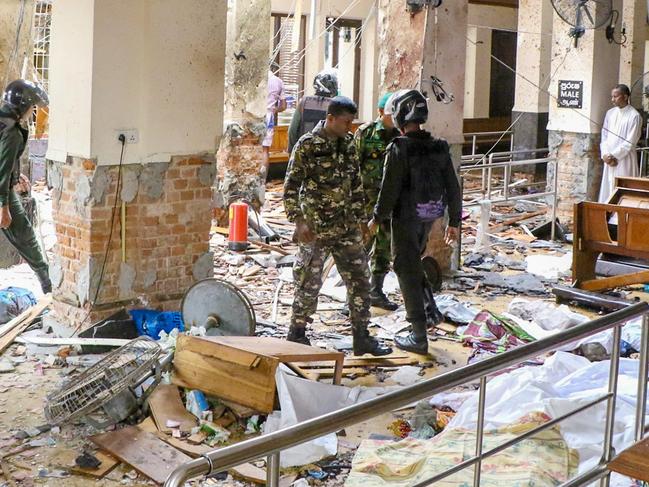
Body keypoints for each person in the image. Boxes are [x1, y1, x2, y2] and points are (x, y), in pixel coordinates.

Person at [283, 96, 392, 356]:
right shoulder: (307, 146)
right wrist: (299, 222)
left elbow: (355, 185)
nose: (349, 127)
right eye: (345, 122)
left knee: (360, 280)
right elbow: (290, 188)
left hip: (346, 229)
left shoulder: (348, 145)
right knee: (308, 283)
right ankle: (297, 333)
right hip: (316, 230)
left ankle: (361, 337)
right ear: (330, 118)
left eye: (352, 123)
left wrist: (361, 221)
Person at [370, 89, 461, 354]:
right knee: (414, 262)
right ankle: (429, 310)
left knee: (405, 268)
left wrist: (376, 217)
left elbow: (389, 189)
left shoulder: (400, 148)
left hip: (406, 217)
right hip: (429, 216)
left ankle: (418, 334)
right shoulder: (439, 146)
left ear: (399, 115)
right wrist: (454, 220)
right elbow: (452, 187)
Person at [0, 79, 51, 293]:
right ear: (23, 105)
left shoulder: (3, 119)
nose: (32, 112)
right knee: (25, 236)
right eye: (32, 107)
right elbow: (1, 171)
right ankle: (49, 284)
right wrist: (4, 207)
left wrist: (15, 174)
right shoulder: (12, 131)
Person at [353, 93, 400, 310]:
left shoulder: (400, 136)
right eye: (391, 114)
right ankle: (354, 297)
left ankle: (376, 291)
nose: (395, 118)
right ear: (381, 112)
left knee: (383, 250)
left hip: (390, 203)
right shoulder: (366, 133)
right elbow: (352, 167)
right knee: (361, 248)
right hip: (367, 202)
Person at [598, 84, 642, 203]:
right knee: (609, 187)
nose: (612, 99)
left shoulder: (634, 116)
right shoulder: (610, 113)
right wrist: (606, 155)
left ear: (626, 96)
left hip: (624, 159)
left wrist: (614, 155)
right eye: (612, 96)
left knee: (623, 189)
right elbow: (604, 135)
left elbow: (631, 141)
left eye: (616, 96)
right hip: (609, 159)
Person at [287, 69, 338, 153]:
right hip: (327, 154)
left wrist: (291, 151)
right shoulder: (335, 105)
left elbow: (292, 130)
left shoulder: (304, 102)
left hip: (304, 151)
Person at [262, 62, 287, 179]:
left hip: (253, 115)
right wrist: (273, 109)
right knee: (265, 150)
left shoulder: (257, 79)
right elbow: (283, 106)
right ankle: (263, 181)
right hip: (269, 116)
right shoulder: (278, 81)